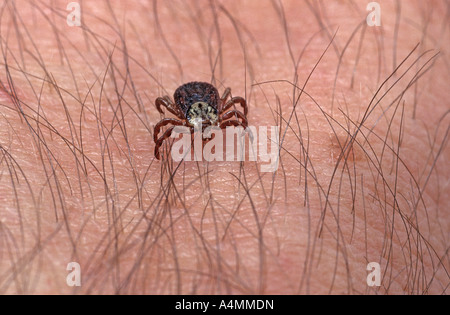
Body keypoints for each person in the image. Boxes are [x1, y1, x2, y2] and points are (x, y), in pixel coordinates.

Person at [0, 0, 448, 294]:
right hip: (193, 92)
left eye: (211, 123)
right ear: (183, 116)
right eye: (195, 124)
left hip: (201, 91)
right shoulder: (176, 117)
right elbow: (168, 123)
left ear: (218, 113)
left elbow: (235, 110)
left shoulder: (222, 113)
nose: (202, 129)